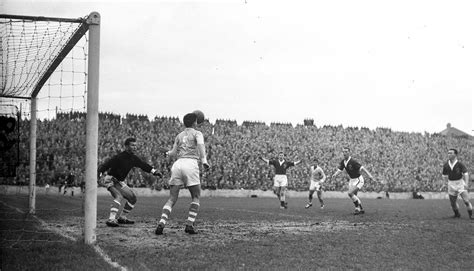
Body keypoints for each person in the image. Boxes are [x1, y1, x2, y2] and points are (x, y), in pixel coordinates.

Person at [155, 112, 209, 235]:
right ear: (195, 122)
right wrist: (204, 161)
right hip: (190, 164)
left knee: (172, 198)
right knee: (195, 196)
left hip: (177, 165)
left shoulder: (179, 135)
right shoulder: (197, 133)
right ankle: (189, 225)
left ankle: (162, 223)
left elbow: (173, 153)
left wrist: (167, 153)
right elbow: (201, 146)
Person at [98, 137, 162, 227]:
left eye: (135, 145)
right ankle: (111, 219)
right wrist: (99, 174)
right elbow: (106, 165)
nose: (135, 147)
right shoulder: (119, 157)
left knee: (132, 199)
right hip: (111, 180)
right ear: (126, 146)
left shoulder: (134, 158)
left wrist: (154, 172)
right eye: (132, 145)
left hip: (119, 182)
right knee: (118, 196)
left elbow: (143, 165)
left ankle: (122, 218)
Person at [330, 147, 376, 215]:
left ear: (349, 152)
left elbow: (362, 168)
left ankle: (357, 208)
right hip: (352, 180)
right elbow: (340, 169)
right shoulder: (343, 161)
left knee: (350, 193)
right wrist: (335, 174)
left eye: (346, 151)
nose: (344, 153)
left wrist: (370, 176)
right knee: (354, 196)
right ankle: (361, 209)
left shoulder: (353, 161)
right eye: (343, 152)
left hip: (358, 179)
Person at [441, 148, 472, 219]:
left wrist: (466, 183)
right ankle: (457, 214)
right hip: (451, 184)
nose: (449, 154)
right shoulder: (446, 165)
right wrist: (444, 183)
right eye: (448, 153)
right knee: (452, 203)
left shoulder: (460, 164)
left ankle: (471, 215)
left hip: (460, 183)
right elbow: (444, 175)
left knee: (466, 201)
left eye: (451, 153)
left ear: (455, 154)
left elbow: (466, 174)